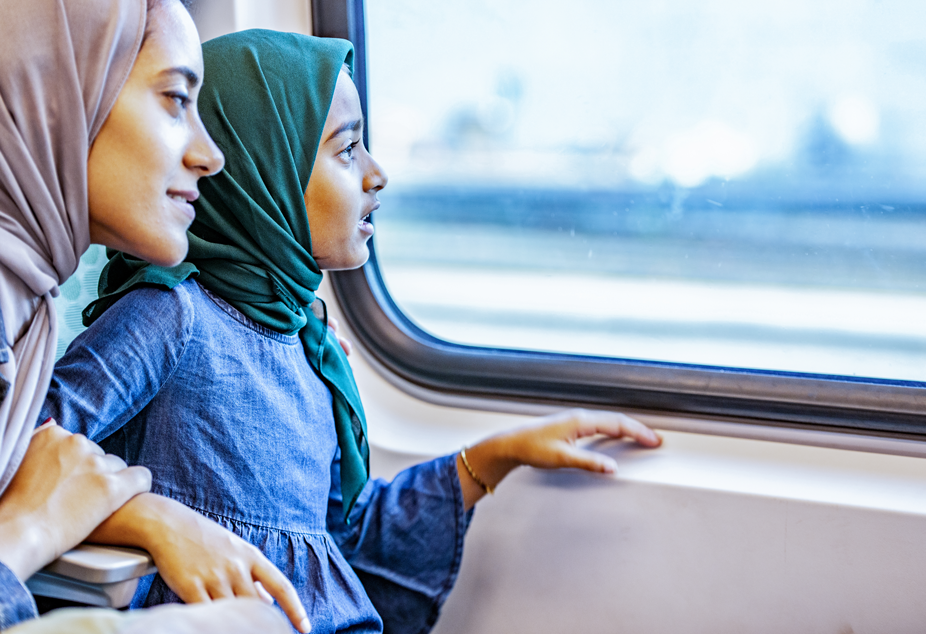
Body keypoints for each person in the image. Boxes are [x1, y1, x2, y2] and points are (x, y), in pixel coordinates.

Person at [41, 30, 663, 634]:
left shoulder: (305, 337)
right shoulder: (170, 316)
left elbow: (336, 539)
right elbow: (34, 452)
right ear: (265, 169)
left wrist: (495, 458)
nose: (376, 174)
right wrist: (147, 519)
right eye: (347, 150)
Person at [0, 0, 297, 631]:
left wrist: (141, 510)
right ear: (59, 94)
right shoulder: (167, 313)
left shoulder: (25, 308)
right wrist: (30, 529)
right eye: (175, 100)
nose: (210, 155)